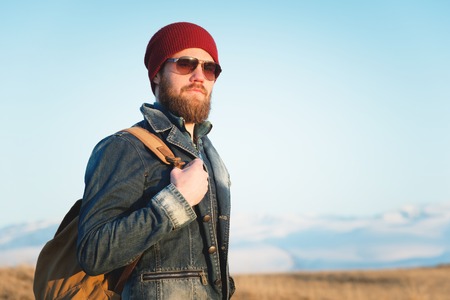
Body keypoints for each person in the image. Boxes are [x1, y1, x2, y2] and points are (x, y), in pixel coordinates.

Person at [76, 22, 235, 299]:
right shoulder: (125, 147)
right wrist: (176, 201)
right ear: (157, 74)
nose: (200, 75)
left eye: (210, 69)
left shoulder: (208, 151)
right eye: (186, 64)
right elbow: (93, 252)